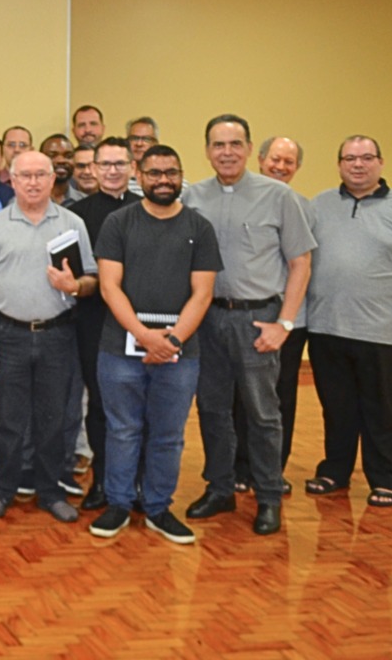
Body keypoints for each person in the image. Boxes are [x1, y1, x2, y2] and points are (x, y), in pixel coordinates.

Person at [182, 114, 315, 536]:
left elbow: (301, 263)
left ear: (248, 149)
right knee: (212, 409)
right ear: (207, 150)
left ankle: (269, 495)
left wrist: (285, 323)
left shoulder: (279, 196)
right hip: (207, 319)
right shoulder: (192, 198)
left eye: (235, 144)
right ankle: (220, 488)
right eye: (218, 144)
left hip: (258, 319)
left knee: (263, 413)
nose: (227, 152)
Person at [89, 145, 221, 544]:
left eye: (171, 172)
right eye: (154, 173)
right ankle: (119, 503)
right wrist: (144, 336)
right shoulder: (118, 222)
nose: (164, 180)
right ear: (138, 174)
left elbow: (203, 293)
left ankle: (159, 507)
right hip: (120, 348)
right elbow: (109, 287)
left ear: (181, 175)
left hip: (181, 353)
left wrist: (174, 340)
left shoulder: (199, 227)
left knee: (168, 434)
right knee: (122, 430)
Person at [0, 151, 96, 524]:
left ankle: (51, 492)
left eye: (41, 174)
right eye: (25, 175)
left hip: (58, 335)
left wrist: (75, 285)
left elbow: (91, 280)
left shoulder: (72, 223)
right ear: (12, 179)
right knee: (10, 421)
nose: (33, 182)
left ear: (52, 178)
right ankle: (3, 490)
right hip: (9, 335)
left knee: (53, 419)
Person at [305, 136, 392, 508]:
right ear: (339, 164)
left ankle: (385, 479)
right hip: (326, 327)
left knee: (381, 409)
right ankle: (334, 471)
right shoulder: (319, 205)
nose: (358, 165)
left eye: (366, 157)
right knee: (337, 407)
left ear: (380, 162)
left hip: (383, 331)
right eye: (350, 158)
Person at [233, 135, 311, 494]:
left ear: (297, 168)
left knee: (279, 398)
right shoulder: (240, 199)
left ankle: (272, 471)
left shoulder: (301, 206)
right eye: (275, 160)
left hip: (286, 320)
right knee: (240, 396)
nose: (280, 167)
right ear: (260, 159)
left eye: (288, 162)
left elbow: (303, 264)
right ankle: (240, 468)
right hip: (244, 317)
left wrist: (286, 321)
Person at [68, 137, 141, 510]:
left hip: (142, 322)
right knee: (99, 404)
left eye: (120, 164)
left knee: (140, 405)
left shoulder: (150, 209)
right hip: (94, 321)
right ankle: (102, 481)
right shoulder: (76, 215)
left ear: (133, 168)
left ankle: (138, 483)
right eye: (105, 164)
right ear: (93, 168)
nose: (112, 171)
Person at [40, 133, 82, 205]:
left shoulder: (86, 202)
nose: (61, 161)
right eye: (52, 155)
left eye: (68, 156)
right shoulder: (27, 200)